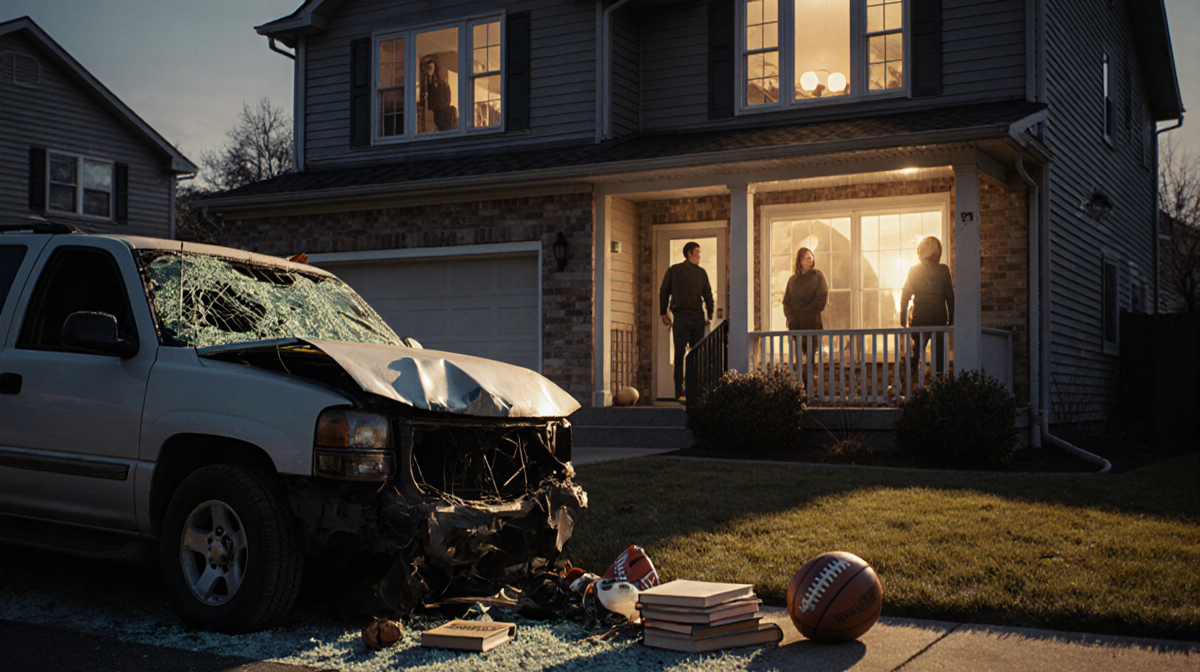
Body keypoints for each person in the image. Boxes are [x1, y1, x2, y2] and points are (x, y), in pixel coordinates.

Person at [659, 242, 714, 401]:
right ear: (689, 253)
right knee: (680, 354)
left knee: (694, 354)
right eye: (697, 252)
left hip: (695, 316)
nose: (699, 255)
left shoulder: (699, 273)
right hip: (682, 315)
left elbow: (708, 294)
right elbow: (664, 291)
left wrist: (709, 313)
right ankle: (681, 390)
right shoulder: (675, 271)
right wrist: (663, 312)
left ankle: (691, 389)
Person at [899, 236, 954, 375]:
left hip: (920, 319)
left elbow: (905, 295)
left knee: (916, 354)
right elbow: (950, 296)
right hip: (938, 319)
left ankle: (912, 383)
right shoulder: (943, 270)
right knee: (939, 358)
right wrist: (951, 319)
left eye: (920, 248)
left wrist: (903, 319)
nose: (918, 252)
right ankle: (938, 386)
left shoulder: (915, 270)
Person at [782, 246, 828, 336]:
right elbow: (786, 302)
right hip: (795, 327)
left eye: (811, 257)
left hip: (813, 325)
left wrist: (804, 314)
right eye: (807, 258)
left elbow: (821, 299)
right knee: (796, 348)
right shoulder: (793, 280)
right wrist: (791, 318)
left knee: (812, 348)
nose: (810, 260)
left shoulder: (818, 276)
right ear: (800, 260)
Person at [420, 56, 457, 132]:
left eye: (431, 68)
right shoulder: (426, 85)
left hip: (444, 108)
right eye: (428, 68)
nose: (430, 70)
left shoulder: (441, 83)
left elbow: (447, 96)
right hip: (436, 111)